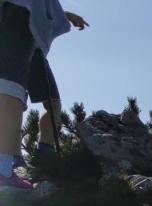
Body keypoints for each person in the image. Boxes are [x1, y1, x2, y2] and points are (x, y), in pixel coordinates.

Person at [0, 0, 88, 190]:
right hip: (16, 35)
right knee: (13, 98)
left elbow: (40, 7)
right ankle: (10, 162)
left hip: (34, 48)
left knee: (51, 104)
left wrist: (67, 15)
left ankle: (42, 153)